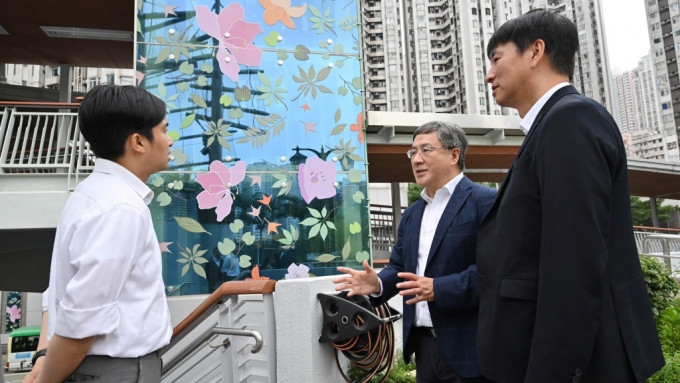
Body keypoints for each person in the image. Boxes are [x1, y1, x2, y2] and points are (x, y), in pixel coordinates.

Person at [477, 9, 664, 383]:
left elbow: (573, 265)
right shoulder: (555, 124)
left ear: (535, 52)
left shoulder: (569, 120)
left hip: (581, 364)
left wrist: (553, 372)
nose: (489, 74)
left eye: (496, 59)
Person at [24, 84, 174, 383]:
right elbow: (82, 322)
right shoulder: (120, 207)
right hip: (117, 371)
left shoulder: (89, 194)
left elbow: (59, 291)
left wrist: (44, 356)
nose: (170, 141)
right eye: (164, 130)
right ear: (138, 142)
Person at [334, 121, 497, 383]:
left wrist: (439, 288)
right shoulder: (412, 214)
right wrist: (377, 283)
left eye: (426, 150)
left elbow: (496, 271)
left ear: (454, 155)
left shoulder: (484, 201)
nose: (416, 159)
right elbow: (400, 268)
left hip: (471, 351)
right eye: (413, 152)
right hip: (424, 348)